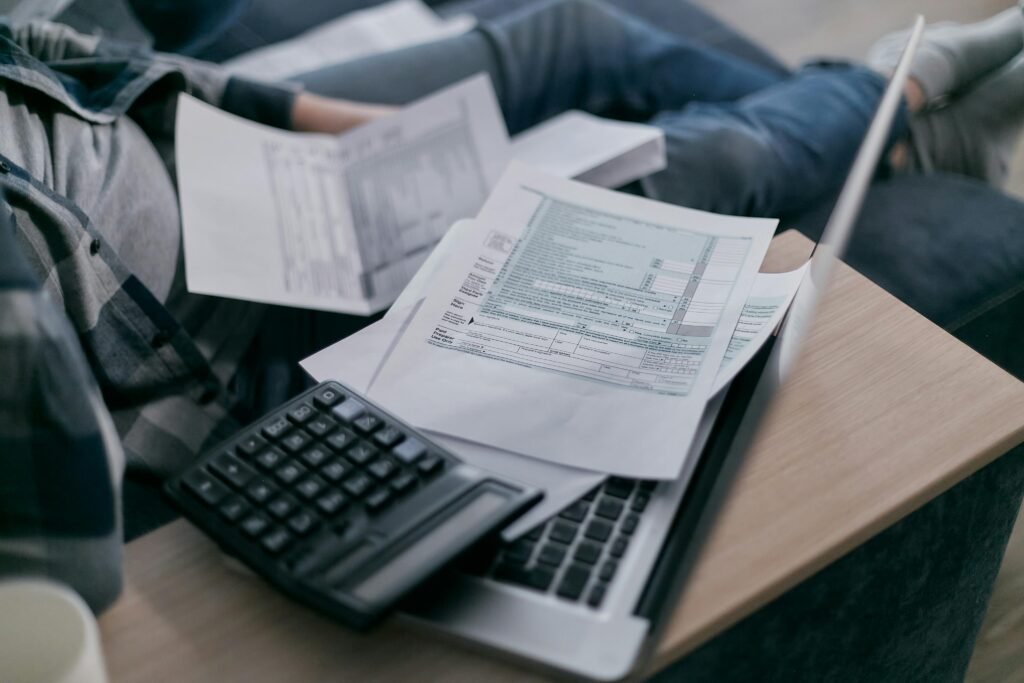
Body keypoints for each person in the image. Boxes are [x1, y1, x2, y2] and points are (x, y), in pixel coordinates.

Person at [1, 0, 1022, 614]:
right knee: (705, 166)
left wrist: (315, 127)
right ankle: (901, 97)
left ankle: (883, 132)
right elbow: (68, 579)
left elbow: (49, 51)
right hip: (240, 351)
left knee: (567, 31)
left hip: (238, 171)